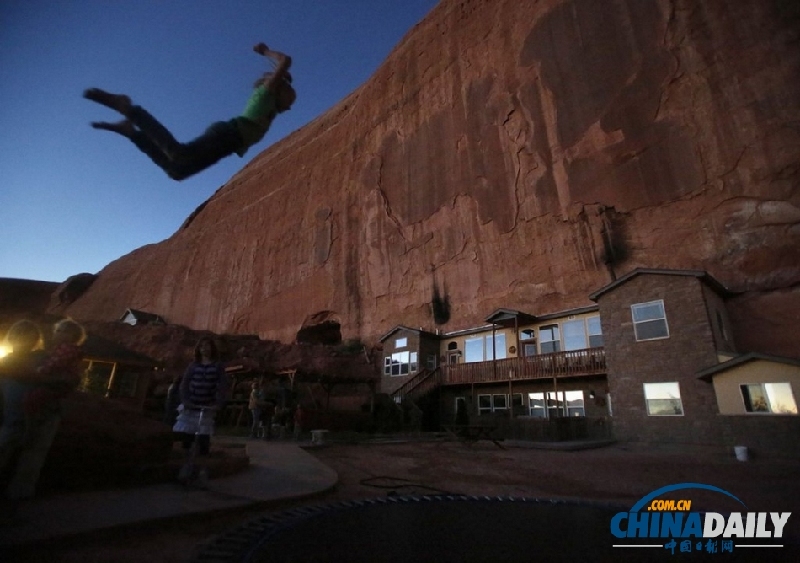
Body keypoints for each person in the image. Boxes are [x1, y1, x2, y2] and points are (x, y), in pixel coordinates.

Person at [83, 43, 295, 181]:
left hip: (230, 144)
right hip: (227, 134)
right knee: (179, 154)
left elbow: (284, 77)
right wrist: (266, 52)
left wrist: (284, 78)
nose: (291, 105)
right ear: (278, 91)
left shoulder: (273, 108)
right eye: (290, 98)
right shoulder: (264, 96)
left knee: (178, 171)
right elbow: (285, 61)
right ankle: (129, 109)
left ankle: (132, 133)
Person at [0, 319, 85, 519]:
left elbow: (70, 381)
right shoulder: (11, 360)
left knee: (30, 458)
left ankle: (17, 500)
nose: (22, 340)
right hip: (16, 418)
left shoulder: (46, 358)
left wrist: (39, 379)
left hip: (41, 417)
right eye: (19, 336)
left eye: (27, 336)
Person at [172, 336, 228, 488]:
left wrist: (218, 403)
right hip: (191, 407)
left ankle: (202, 469)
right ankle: (186, 466)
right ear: (199, 349)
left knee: (203, 441)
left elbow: (222, 387)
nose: (205, 349)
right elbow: (184, 384)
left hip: (207, 406)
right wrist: (186, 401)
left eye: (208, 346)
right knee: (188, 440)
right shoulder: (193, 366)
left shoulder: (217, 366)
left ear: (212, 349)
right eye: (202, 346)